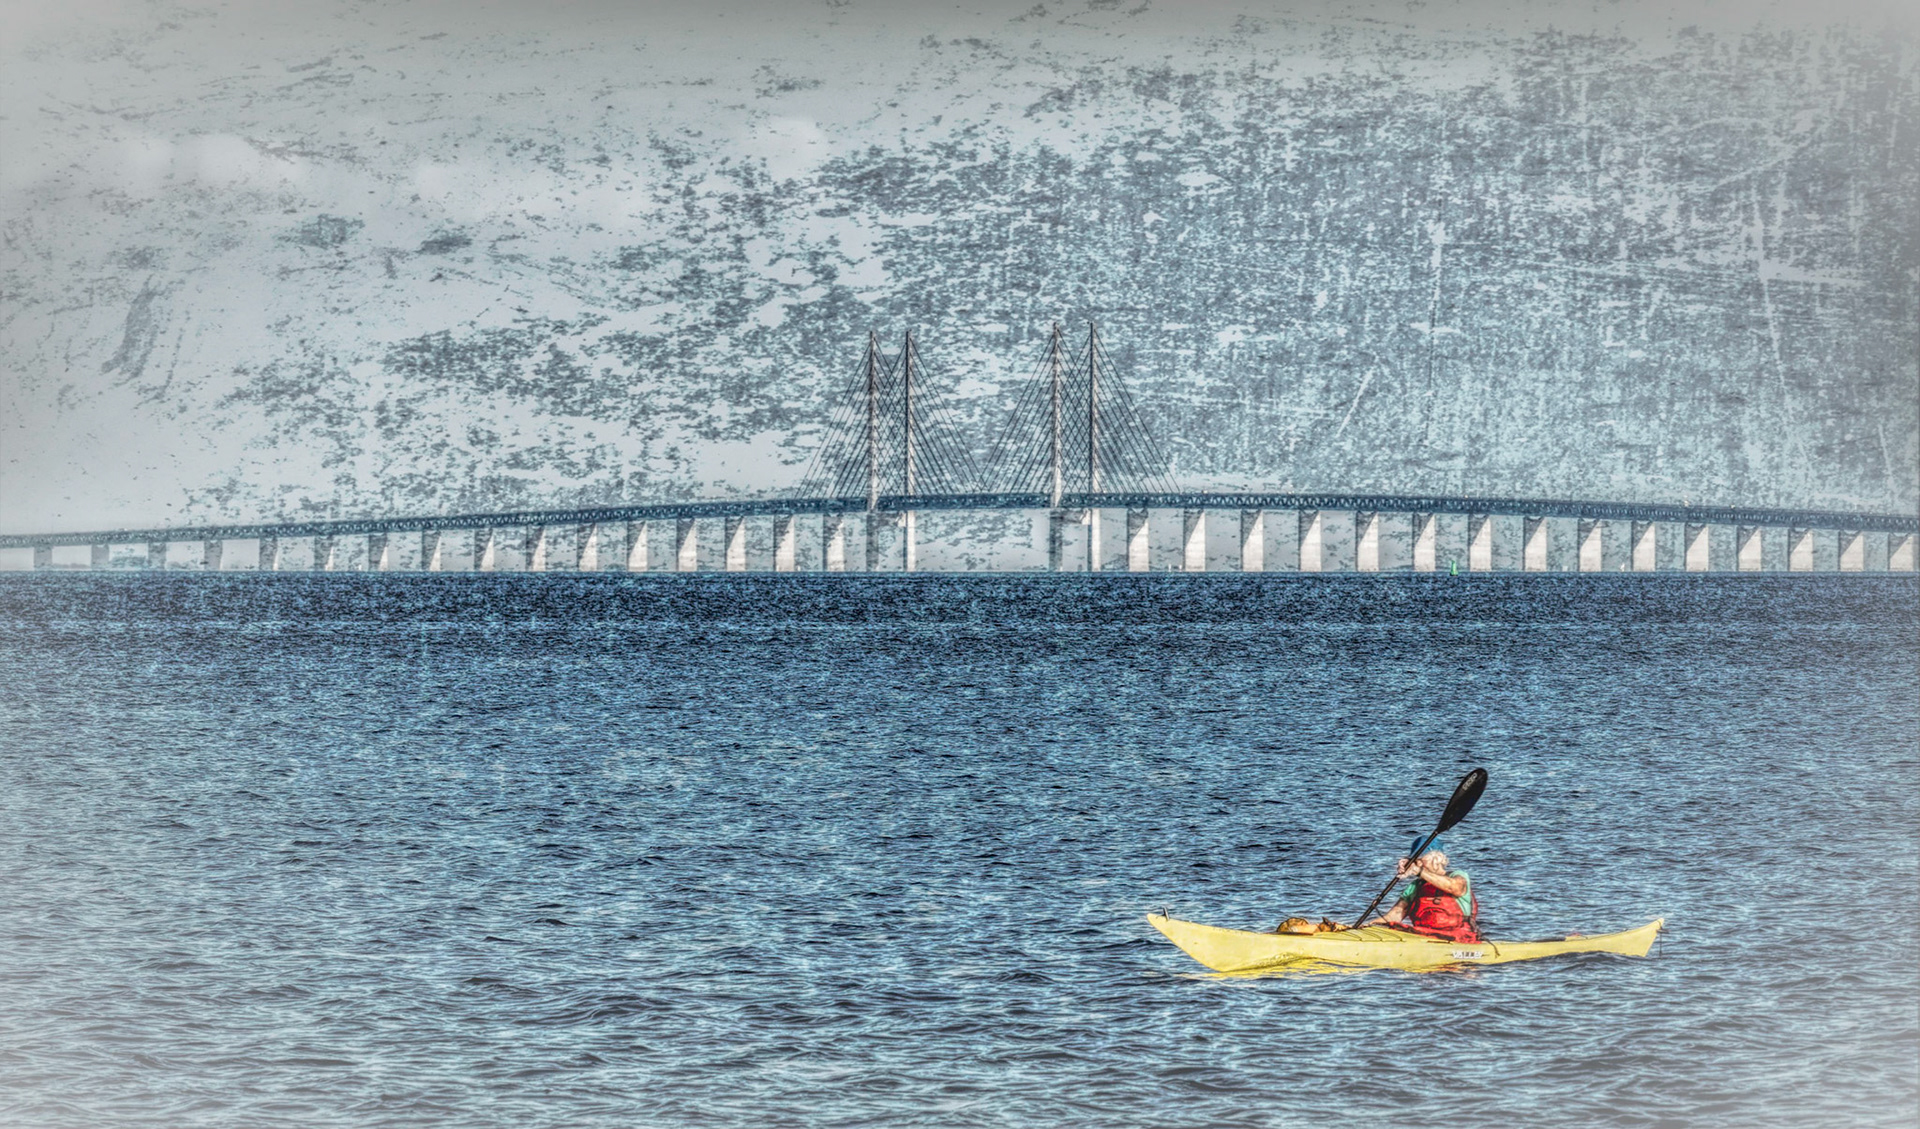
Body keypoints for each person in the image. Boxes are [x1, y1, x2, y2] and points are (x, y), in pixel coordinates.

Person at [1366, 836, 1479, 942]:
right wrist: (1368, 927)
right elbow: (1394, 915)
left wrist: (1418, 871)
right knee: (1395, 928)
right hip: (1424, 938)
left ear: (1436, 859)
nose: (1417, 863)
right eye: (1415, 860)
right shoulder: (1415, 886)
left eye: (1420, 859)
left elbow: (1454, 888)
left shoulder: (1458, 876)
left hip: (1460, 939)